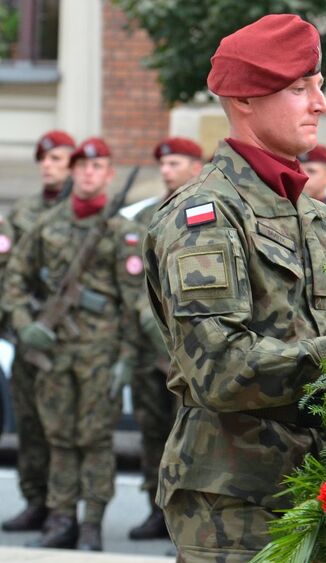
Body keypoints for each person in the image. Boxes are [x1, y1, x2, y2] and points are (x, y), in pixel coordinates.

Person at [142, 14, 326, 563]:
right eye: (299, 88)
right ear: (245, 100)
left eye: (319, 84)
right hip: (239, 507)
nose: (321, 104)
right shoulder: (204, 217)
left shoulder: (315, 213)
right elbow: (223, 370)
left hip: (324, 489)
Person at [3, 137, 144, 550]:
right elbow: (14, 280)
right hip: (54, 354)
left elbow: (136, 303)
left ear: (109, 175)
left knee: (96, 441)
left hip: (101, 355)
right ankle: (61, 519)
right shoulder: (47, 225)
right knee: (59, 439)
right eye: (81, 165)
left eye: (97, 166)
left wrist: (128, 359)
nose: (88, 172)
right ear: (73, 171)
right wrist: (25, 323)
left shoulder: (124, 233)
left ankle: (91, 526)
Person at [127, 137, 204, 541]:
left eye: (175, 162)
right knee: (152, 431)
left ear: (195, 166)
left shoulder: (206, 212)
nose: (167, 170)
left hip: (188, 352)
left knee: (189, 437)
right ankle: (154, 511)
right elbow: (134, 283)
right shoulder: (144, 217)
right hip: (148, 349)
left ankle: (184, 521)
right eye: (164, 163)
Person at [1, 130, 75, 532]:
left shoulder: (81, 212)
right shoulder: (23, 212)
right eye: (44, 159)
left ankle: (62, 508)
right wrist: (19, 322)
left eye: (57, 158)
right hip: (27, 330)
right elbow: (10, 270)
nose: (48, 165)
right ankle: (34, 500)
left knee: (61, 428)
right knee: (29, 423)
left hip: (70, 338)